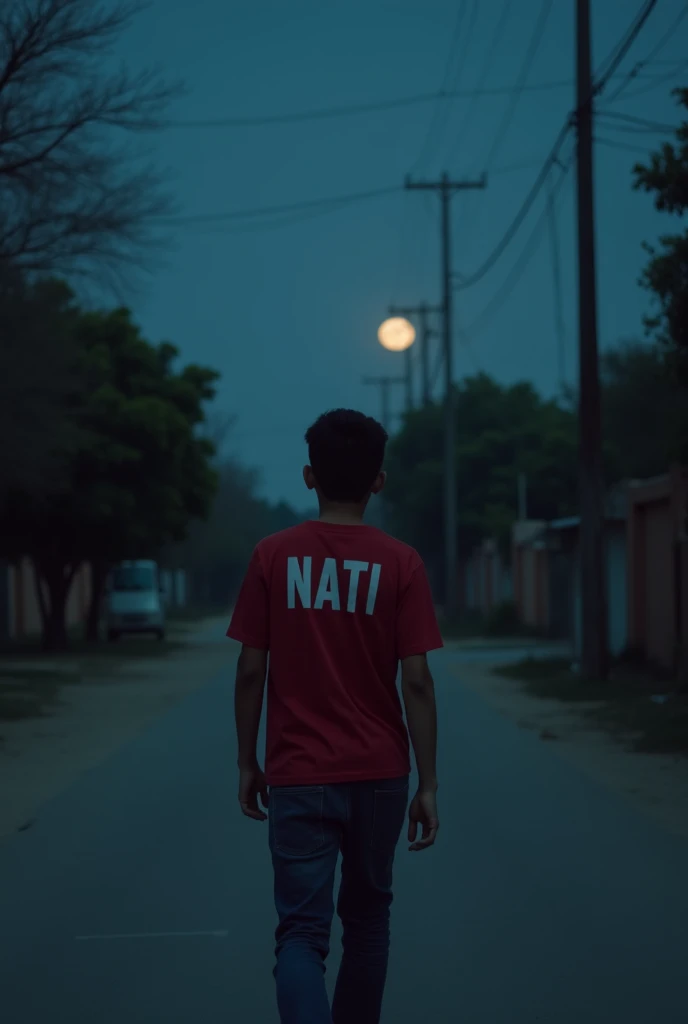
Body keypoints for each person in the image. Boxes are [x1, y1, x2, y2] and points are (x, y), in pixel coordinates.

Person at [227, 408, 442, 1024]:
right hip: (380, 776)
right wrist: (426, 784)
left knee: (300, 933)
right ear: (379, 481)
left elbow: (249, 669)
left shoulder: (273, 556)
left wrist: (248, 760)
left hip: (298, 774)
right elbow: (418, 683)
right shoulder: (401, 564)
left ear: (307, 477)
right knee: (369, 922)